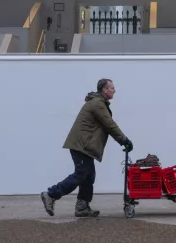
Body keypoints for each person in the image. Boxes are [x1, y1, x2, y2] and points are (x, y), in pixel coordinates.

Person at [41, 78, 132, 218]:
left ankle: (82, 207)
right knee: (81, 174)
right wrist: (124, 140)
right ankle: (51, 194)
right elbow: (110, 124)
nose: (115, 90)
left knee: (89, 176)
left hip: (85, 145)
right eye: (112, 88)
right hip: (81, 145)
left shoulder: (98, 102)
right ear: (104, 89)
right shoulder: (97, 103)